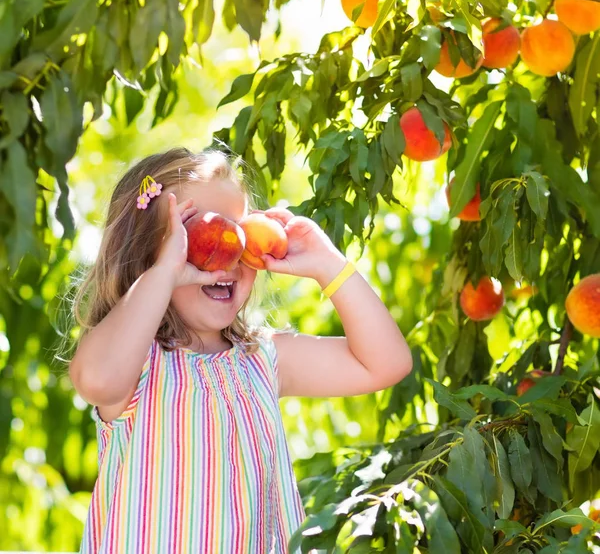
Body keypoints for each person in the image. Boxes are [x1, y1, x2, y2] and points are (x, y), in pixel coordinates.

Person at [70, 146, 413, 553]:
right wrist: (166, 272)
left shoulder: (262, 359)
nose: (226, 254)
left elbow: (386, 363)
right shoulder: (138, 365)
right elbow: (95, 379)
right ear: (149, 256)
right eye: (197, 237)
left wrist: (328, 265)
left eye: (241, 235)